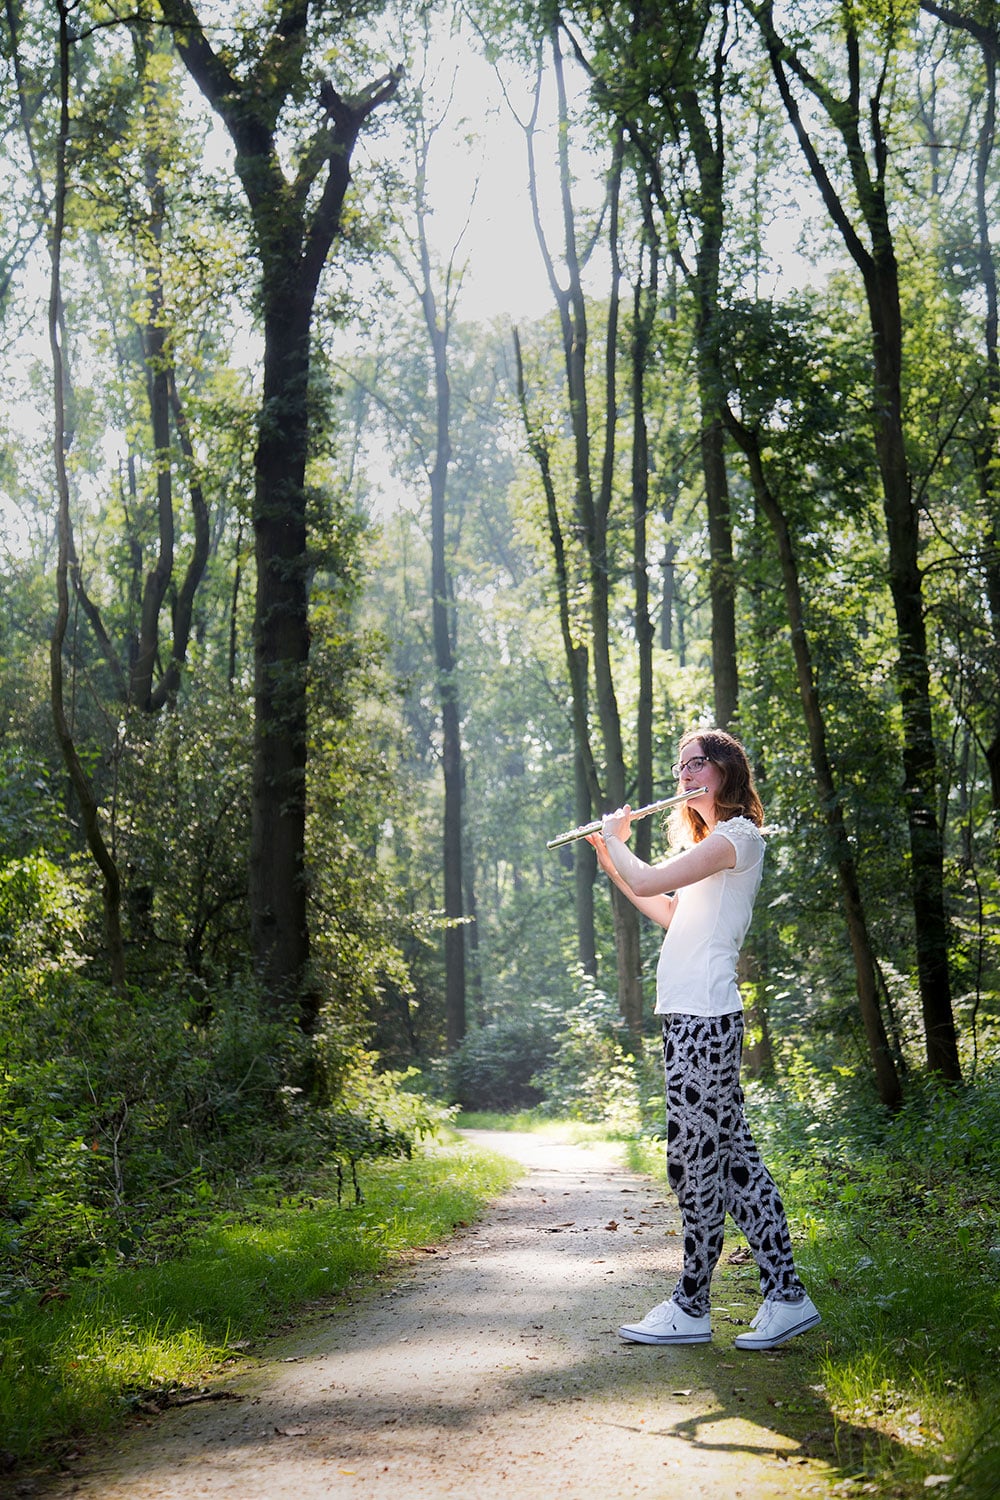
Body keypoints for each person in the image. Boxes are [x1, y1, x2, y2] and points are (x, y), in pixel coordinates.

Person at [588, 727, 820, 1352]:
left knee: (694, 1164)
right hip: (691, 1019)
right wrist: (611, 857)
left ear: (724, 771)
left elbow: (648, 878)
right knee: (735, 1162)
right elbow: (662, 905)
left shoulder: (736, 837)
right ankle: (786, 1296)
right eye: (679, 767)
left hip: (707, 1021)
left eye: (696, 765)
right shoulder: (709, 846)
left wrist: (618, 842)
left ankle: (693, 1304)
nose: (684, 776)